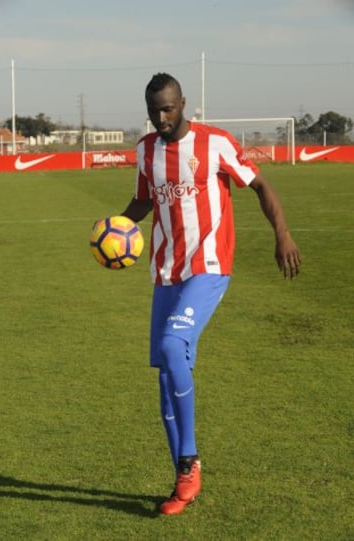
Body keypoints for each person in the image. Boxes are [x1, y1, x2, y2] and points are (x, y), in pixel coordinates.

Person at [121, 73, 301, 515]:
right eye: (153, 111)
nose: (161, 119)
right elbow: (144, 200)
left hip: (209, 267)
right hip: (166, 272)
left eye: (168, 109)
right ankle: (183, 479)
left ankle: (189, 460)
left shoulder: (215, 143)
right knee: (167, 372)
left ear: (183, 104)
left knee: (171, 343)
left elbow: (258, 184)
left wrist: (283, 234)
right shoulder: (146, 151)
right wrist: (117, 226)